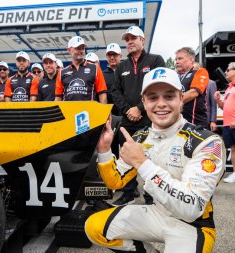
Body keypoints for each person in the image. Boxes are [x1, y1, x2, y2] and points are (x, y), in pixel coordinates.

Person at [85, 67, 226, 253]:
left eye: (169, 96)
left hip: (193, 224)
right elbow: (115, 182)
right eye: (152, 98)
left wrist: (143, 163)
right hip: (156, 213)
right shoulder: (139, 138)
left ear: (181, 99)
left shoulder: (207, 141)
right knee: (94, 227)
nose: (161, 104)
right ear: (143, 102)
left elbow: (191, 207)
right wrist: (103, 151)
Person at [112, 26, 165, 206]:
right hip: (128, 120)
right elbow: (115, 91)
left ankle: (151, 194)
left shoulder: (156, 60)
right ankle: (129, 192)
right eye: (127, 39)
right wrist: (129, 110)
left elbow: (158, 86)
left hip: (150, 118)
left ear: (143, 40)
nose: (130, 41)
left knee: (151, 156)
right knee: (126, 157)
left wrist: (140, 108)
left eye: (133, 38)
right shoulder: (121, 66)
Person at [55, 36, 107, 103]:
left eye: (83, 48)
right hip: (68, 112)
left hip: (89, 112)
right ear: (69, 50)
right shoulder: (62, 72)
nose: (81, 51)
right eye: (78, 48)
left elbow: (102, 93)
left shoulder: (95, 68)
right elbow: (58, 97)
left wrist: (104, 112)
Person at [175, 47, 209, 128]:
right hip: (178, 122)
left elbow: (193, 92)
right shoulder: (175, 76)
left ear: (191, 60)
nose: (177, 62)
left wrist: (174, 103)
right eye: (176, 59)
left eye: (180, 58)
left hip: (196, 122)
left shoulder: (200, 72)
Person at [194, 62, 218, 131]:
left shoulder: (210, 83)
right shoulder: (190, 83)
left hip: (205, 119)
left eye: (195, 69)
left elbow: (213, 104)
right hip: (192, 118)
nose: (193, 71)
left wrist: (213, 121)